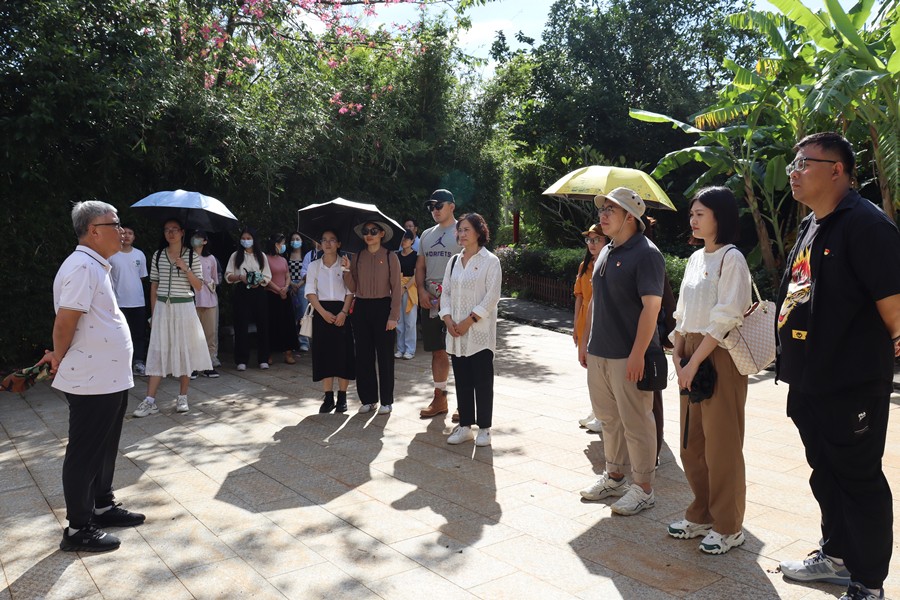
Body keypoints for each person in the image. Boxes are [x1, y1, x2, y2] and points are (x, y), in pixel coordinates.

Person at [775, 132, 900, 600]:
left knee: (858, 479)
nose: (794, 171)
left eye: (803, 163)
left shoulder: (867, 225)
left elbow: (895, 309)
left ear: (837, 171)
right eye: (793, 163)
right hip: (810, 380)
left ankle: (868, 583)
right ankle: (837, 556)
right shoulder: (813, 224)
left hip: (851, 383)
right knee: (825, 472)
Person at [41, 201, 145, 552]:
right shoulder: (83, 266)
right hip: (92, 379)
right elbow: (65, 320)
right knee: (85, 450)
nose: (121, 230)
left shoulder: (96, 265)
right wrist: (58, 356)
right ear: (93, 231)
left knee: (105, 445)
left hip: (109, 376)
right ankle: (78, 528)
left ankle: (102, 504)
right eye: (114, 224)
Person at [667, 187, 751, 555]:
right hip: (690, 352)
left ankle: (728, 526)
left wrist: (695, 361)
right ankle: (701, 513)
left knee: (722, 445)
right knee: (692, 443)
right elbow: (682, 313)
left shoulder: (732, 259)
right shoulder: (695, 258)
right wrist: (677, 354)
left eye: (700, 213)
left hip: (718, 355)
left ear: (721, 216)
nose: (693, 219)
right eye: (692, 214)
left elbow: (726, 318)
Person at [577, 187, 665, 516]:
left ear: (630, 216)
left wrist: (638, 353)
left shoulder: (647, 254)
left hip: (628, 355)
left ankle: (643, 488)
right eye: (602, 209)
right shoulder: (606, 251)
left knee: (637, 422)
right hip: (600, 352)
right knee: (609, 419)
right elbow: (594, 300)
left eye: (610, 210)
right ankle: (614, 476)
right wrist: (585, 341)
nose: (602, 215)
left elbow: (651, 308)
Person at [133, 219, 211, 417]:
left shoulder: (191, 256)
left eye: (174, 229)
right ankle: (149, 400)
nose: (171, 233)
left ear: (182, 232)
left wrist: (185, 268)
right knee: (158, 351)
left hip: (184, 307)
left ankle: (182, 397)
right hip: (162, 308)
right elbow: (154, 286)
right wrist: (154, 315)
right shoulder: (158, 255)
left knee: (185, 351)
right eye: (167, 229)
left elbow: (199, 286)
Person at [441, 213, 502, 446]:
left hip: (479, 333)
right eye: (460, 230)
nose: (462, 234)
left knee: (483, 382)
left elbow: (492, 297)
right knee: (462, 380)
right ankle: (465, 426)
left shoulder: (490, 261)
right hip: (456, 332)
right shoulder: (454, 261)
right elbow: (446, 292)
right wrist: (447, 319)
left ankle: (484, 428)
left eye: (466, 229)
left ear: (479, 232)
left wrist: (469, 320)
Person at [342, 220, 402, 414]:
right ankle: (368, 399)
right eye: (366, 231)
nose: (369, 235)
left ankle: (386, 401)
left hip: (383, 307)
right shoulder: (357, 256)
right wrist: (346, 270)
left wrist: (393, 316)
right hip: (361, 308)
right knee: (363, 356)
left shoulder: (390, 256)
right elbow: (353, 287)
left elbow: (397, 289)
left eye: (373, 231)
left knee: (385, 356)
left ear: (382, 234)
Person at [417, 189, 463, 420]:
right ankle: (440, 398)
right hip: (432, 301)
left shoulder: (462, 232)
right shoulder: (426, 235)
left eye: (439, 205)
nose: (434, 210)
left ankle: (465, 403)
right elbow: (420, 267)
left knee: (461, 352)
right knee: (438, 350)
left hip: (458, 300)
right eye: (431, 206)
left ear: (451, 206)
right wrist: (421, 290)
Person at [305, 230, 355, 413]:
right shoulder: (314, 266)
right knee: (324, 354)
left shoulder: (345, 263)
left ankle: (342, 397)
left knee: (343, 355)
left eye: (332, 240)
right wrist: (323, 313)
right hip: (322, 312)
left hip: (342, 312)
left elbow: (350, 291)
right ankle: (328, 397)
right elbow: (310, 292)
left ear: (339, 244)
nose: (327, 243)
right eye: (324, 240)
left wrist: (344, 312)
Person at [574, 224, 607, 433]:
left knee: (599, 371)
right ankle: (596, 410)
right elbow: (578, 296)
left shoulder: (607, 263)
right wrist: (575, 326)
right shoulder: (584, 266)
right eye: (589, 240)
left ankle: (602, 415)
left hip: (600, 319)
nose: (592, 244)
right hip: (585, 318)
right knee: (589, 370)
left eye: (597, 239)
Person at [224, 227, 272, 371]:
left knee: (263, 324)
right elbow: (228, 275)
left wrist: (259, 280)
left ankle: (263, 358)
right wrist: (240, 277)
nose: (246, 241)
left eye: (248, 238)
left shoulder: (261, 256)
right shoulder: (235, 256)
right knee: (241, 324)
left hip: (259, 291)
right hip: (242, 291)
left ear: (254, 239)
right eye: (243, 238)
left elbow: (267, 276)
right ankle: (241, 359)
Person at [108, 225, 148, 376]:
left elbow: (142, 277)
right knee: (120, 334)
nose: (126, 236)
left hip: (138, 302)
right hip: (119, 302)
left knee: (138, 334)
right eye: (124, 233)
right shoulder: (112, 255)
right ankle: (120, 363)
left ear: (134, 237)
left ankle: (138, 362)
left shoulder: (140, 254)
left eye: (130, 233)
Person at [265, 233, 299, 364]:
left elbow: (287, 275)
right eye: (282, 243)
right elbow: (266, 278)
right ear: (275, 244)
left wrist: (285, 287)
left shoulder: (283, 259)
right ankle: (268, 354)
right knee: (272, 324)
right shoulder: (265, 258)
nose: (283, 246)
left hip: (285, 295)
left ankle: (288, 353)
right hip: (271, 295)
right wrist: (278, 290)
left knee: (287, 324)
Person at [191, 230, 220, 377]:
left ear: (205, 241)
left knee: (210, 333)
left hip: (209, 299)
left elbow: (215, 278)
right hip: (192, 299)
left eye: (199, 237)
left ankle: (209, 364)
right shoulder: (186, 257)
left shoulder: (211, 258)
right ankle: (194, 365)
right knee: (193, 334)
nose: (195, 240)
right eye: (194, 237)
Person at [395, 229, 418, 360]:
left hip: (410, 289)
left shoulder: (416, 256)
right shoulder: (396, 256)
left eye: (407, 239)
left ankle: (410, 349)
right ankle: (400, 348)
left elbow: (416, 275)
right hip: (397, 288)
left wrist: (405, 287)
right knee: (399, 321)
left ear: (412, 241)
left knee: (410, 321)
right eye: (402, 239)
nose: (404, 241)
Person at [297, 240, 322, 352]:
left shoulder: (331, 254)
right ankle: (304, 341)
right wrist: (311, 277)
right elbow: (303, 271)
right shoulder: (310, 255)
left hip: (323, 289)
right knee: (305, 312)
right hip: (310, 285)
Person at [287, 232, 307, 351]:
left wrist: (299, 284)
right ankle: (293, 342)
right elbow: (285, 271)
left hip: (303, 286)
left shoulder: (306, 255)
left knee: (303, 314)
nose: (295, 241)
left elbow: (308, 272)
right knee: (291, 315)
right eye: (293, 239)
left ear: (302, 241)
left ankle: (304, 341)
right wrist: (291, 284)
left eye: (297, 239)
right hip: (289, 286)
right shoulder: (286, 255)